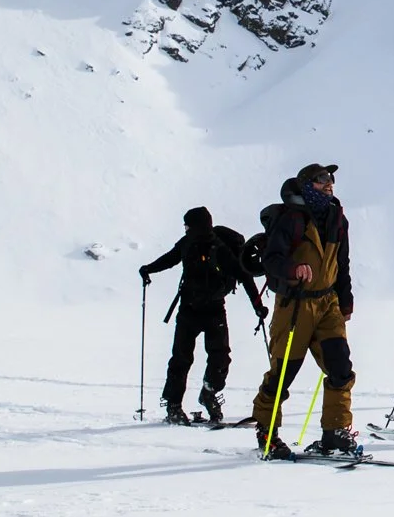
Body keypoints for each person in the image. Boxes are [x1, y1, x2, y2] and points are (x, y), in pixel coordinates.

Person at [247, 164, 358, 459]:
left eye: (332, 178)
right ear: (308, 185)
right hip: (295, 305)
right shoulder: (290, 219)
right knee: (283, 373)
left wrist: (345, 300)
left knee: (340, 368)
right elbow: (271, 259)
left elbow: (342, 263)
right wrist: (294, 269)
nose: (330, 184)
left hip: (328, 303)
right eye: (322, 179)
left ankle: (335, 432)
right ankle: (267, 432)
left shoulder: (336, 218)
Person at [140, 206, 262, 424]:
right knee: (200, 356)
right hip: (198, 309)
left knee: (192, 357)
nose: (185, 228)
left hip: (204, 309)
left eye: (187, 225)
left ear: (194, 225)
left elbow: (243, 275)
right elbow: (170, 259)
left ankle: (194, 398)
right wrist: (148, 268)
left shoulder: (217, 247)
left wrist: (258, 307)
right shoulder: (190, 244)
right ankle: (185, 401)